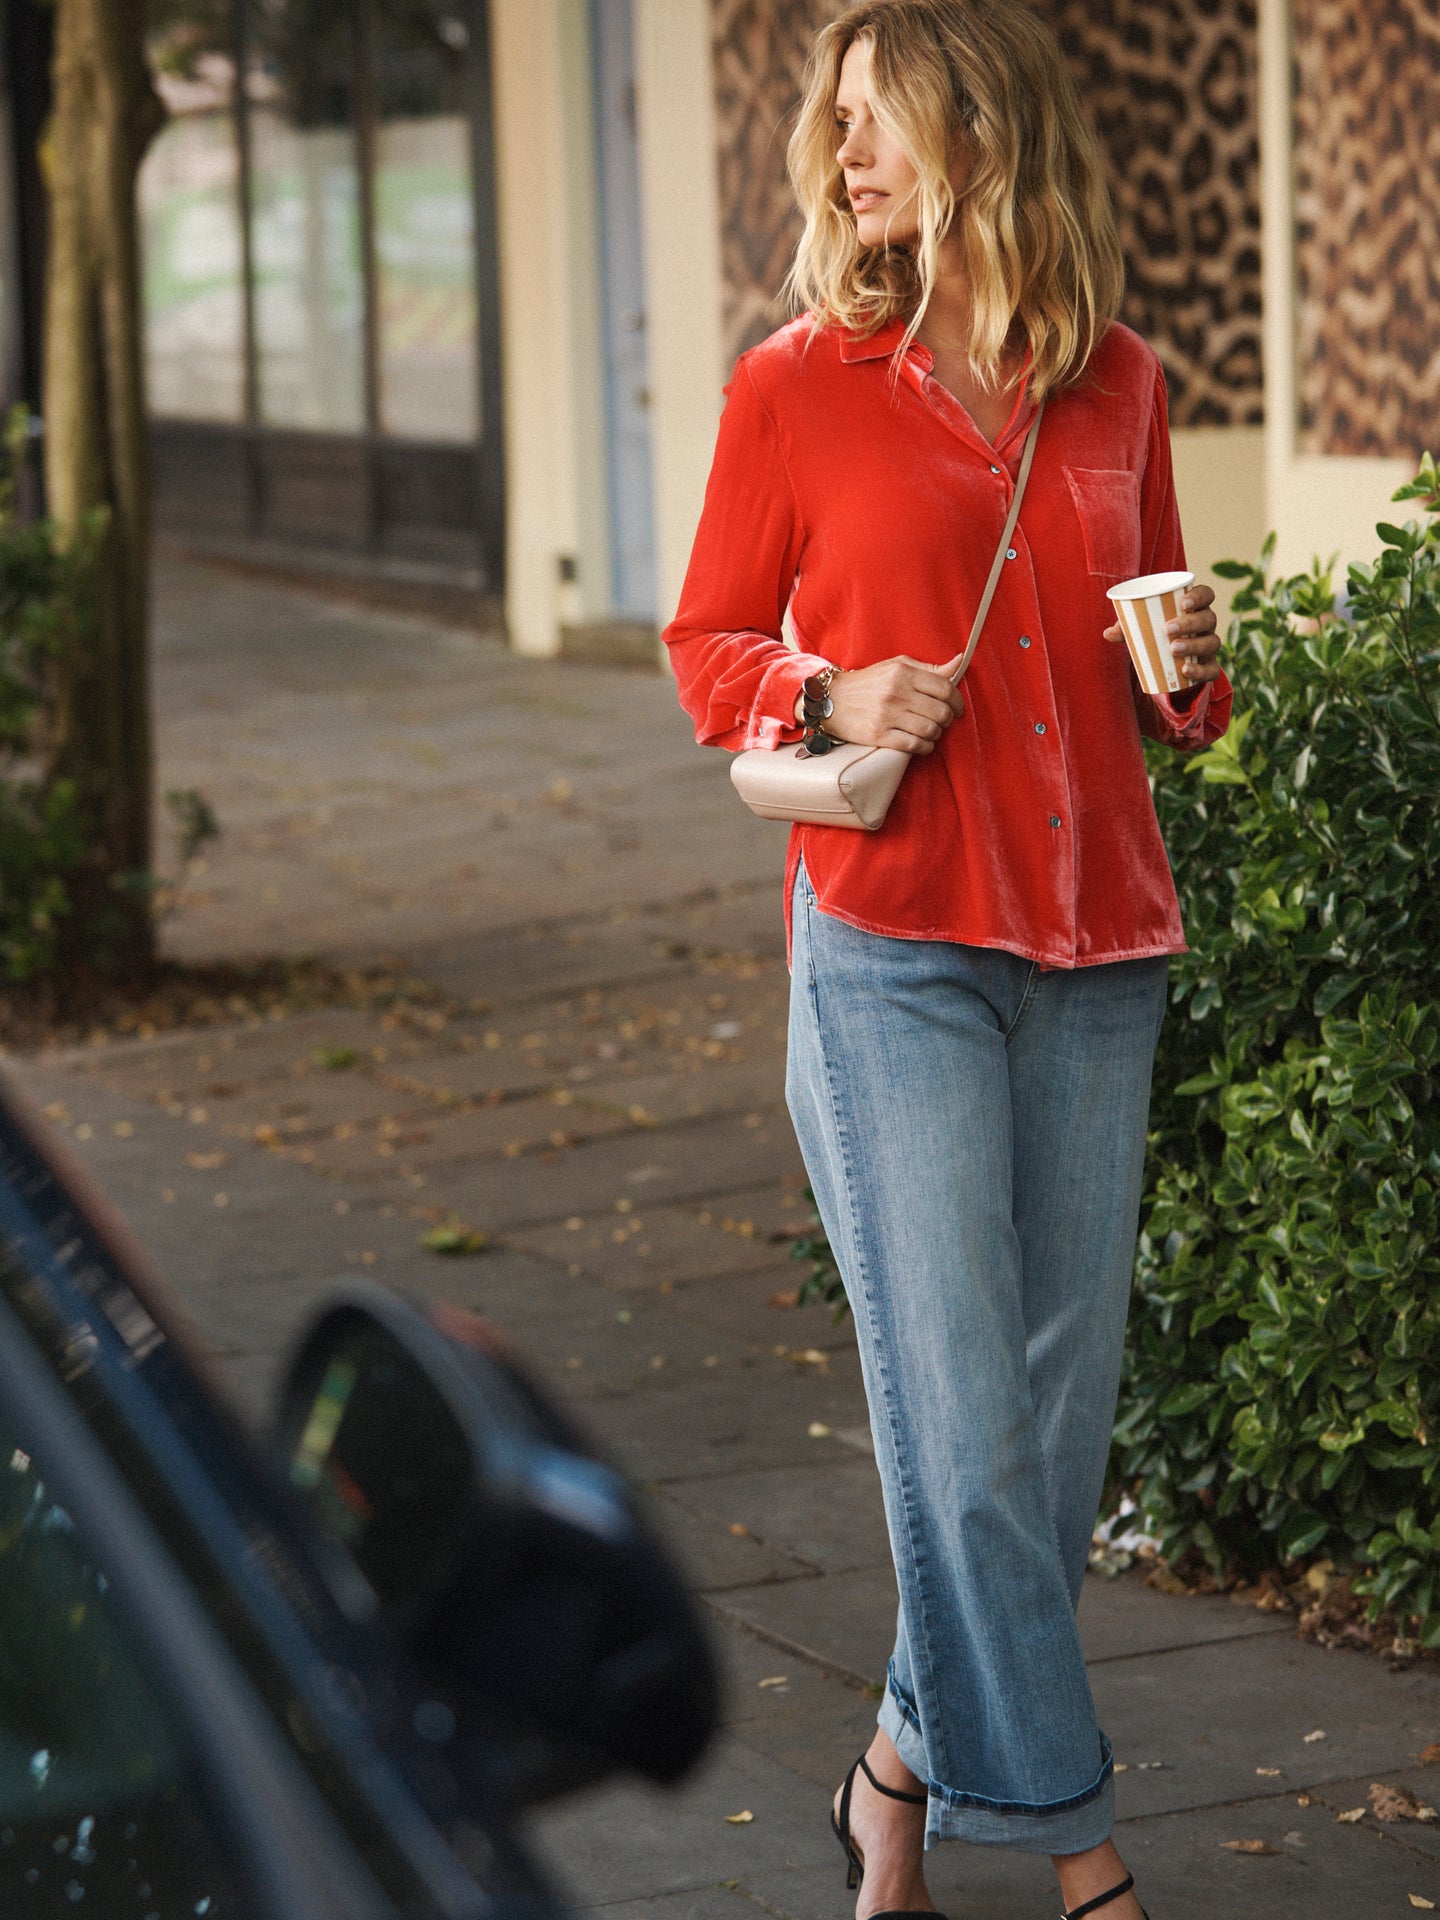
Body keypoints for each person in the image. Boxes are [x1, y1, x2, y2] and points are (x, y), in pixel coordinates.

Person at [663, 3, 1232, 1916]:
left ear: (975, 133)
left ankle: (893, 1777)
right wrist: (828, 680)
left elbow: (1176, 692)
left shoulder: (1122, 386)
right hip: (894, 945)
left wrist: (1193, 670)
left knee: (1051, 1448)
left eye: (873, 118)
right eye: (830, 125)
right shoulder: (795, 388)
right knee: (966, 1426)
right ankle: (1083, 1858)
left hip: (1100, 949)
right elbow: (706, 648)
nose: (844, 155)